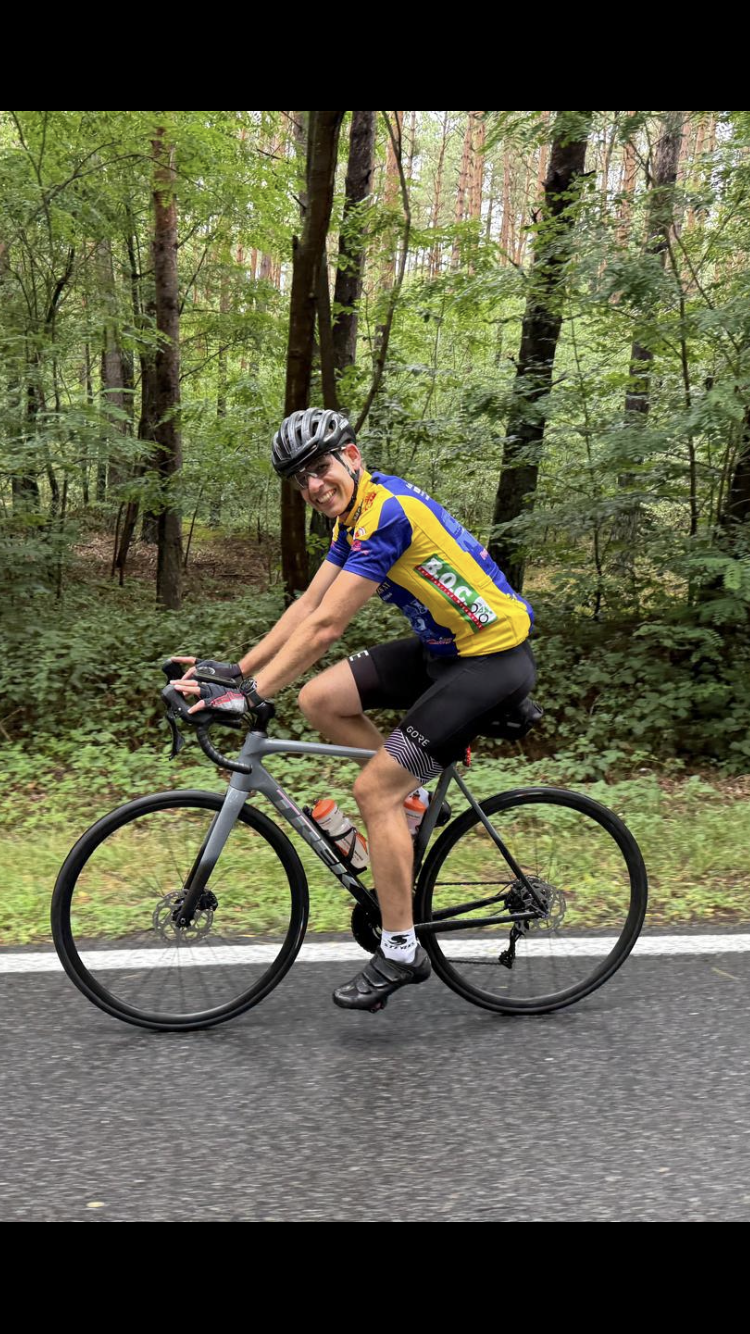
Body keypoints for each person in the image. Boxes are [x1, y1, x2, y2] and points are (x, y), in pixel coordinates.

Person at [174, 408, 536, 1013]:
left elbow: (325, 628)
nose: (313, 486)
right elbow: (306, 605)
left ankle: (400, 950)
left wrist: (254, 695)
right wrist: (238, 671)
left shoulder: (387, 514)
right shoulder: (354, 518)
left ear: (353, 457)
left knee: (374, 793)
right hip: (443, 651)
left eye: (320, 469)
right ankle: (412, 799)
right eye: (301, 480)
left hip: (492, 659)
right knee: (321, 697)